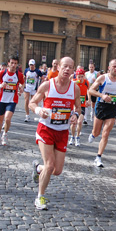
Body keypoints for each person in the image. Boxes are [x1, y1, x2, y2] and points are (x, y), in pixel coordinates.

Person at [29, 57, 81, 210]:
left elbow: (78, 108)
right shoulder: (47, 85)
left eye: (70, 67)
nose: (67, 70)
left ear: (73, 70)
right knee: (50, 165)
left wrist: (75, 115)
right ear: (58, 67)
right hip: (46, 130)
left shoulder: (75, 88)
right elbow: (32, 103)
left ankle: (38, 169)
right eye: (65, 66)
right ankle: (40, 197)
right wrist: (39, 110)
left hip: (62, 132)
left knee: (57, 170)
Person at [88, 59, 116, 168]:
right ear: (109, 67)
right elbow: (91, 90)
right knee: (96, 132)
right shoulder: (103, 78)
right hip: (101, 106)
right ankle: (93, 134)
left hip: (113, 107)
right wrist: (102, 96)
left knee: (105, 133)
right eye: (114, 66)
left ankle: (98, 157)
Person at [0, 56, 24, 146]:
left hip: (12, 100)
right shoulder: (2, 73)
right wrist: (0, 86)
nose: (13, 65)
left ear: (17, 64)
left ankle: (5, 134)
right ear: (8, 63)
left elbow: (22, 83)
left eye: (15, 63)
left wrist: (21, 88)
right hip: (2, 99)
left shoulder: (19, 75)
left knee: (7, 118)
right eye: (12, 63)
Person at [69, 68, 89, 147]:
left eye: (81, 76)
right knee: (73, 123)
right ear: (76, 76)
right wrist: (71, 80)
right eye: (79, 77)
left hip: (82, 105)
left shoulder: (86, 82)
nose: (80, 79)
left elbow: (89, 91)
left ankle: (77, 137)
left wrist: (89, 100)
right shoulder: (73, 82)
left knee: (80, 121)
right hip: (74, 105)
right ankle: (72, 136)